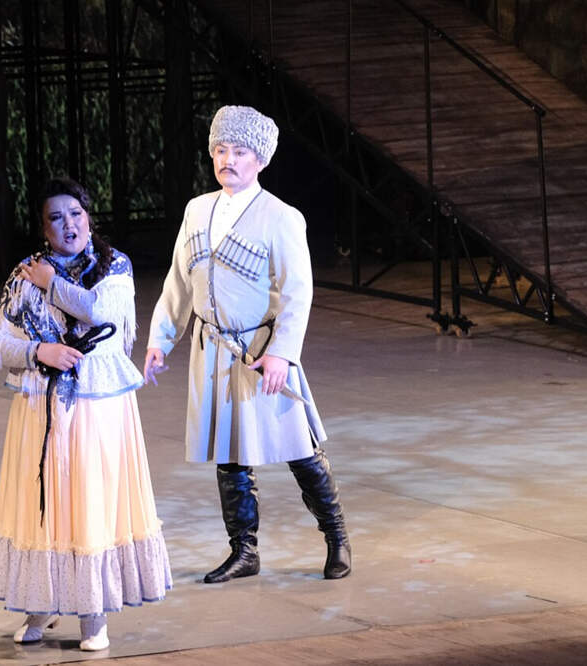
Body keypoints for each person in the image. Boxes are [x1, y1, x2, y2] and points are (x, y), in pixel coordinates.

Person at [143, 105, 351, 584]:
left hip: (261, 351)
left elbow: (298, 292)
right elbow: (179, 282)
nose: (228, 159)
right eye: (220, 150)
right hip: (212, 351)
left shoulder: (281, 217)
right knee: (229, 453)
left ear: (261, 159)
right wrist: (161, 339)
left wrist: (282, 353)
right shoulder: (198, 210)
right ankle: (244, 551)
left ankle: (337, 537)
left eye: (239, 151)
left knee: (298, 448)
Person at [0, 177, 172, 651]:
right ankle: (42, 602)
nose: (68, 224)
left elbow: (98, 312)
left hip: (97, 405)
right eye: (56, 218)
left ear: (88, 217)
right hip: (42, 405)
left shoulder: (114, 264)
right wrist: (39, 351)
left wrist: (52, 284)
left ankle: (93, 612)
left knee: (90, 500)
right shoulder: (26, 273)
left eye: (76, 214)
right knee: (43, 503)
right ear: (43, 228)